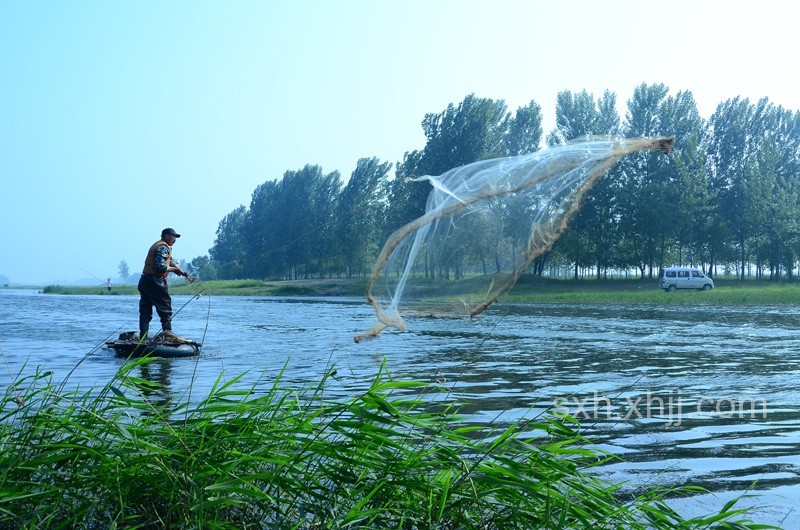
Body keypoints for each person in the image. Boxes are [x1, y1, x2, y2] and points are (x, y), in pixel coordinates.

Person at [138, 228, 189, 340]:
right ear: (166, 236)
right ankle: (168, 334)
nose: (175, 239)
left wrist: (178, 268)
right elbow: (160, 266)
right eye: (173, 236)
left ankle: (143, 337)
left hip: (145, 280)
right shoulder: (163, 247)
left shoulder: (159, 246)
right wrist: (174, 270)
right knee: (165, 308)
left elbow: (169, 261)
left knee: (145, 310)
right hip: (155, 282)